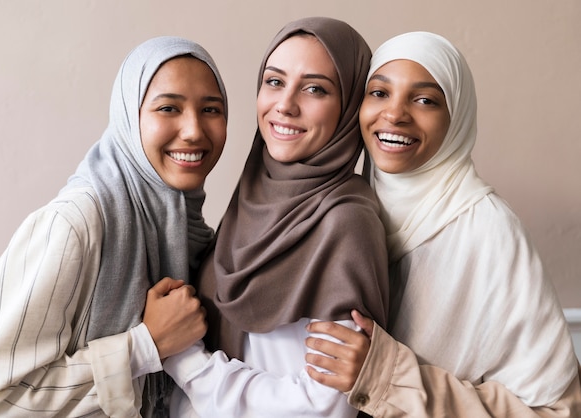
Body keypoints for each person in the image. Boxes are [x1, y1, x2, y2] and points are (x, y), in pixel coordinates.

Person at [304, 31, 581, 417]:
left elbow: (554, 411)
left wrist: (384, 378)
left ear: (457, 118)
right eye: (380, 93)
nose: (395, 114)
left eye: (425, 100)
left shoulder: (489, 230)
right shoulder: (342, 206)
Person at [0, 36, 228, 417]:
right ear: (129, 119)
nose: (194, 130)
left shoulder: (192, 236)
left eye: (211, 109)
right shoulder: (77, 224)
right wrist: (145, 346)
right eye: (168, 108)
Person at [161, 17, 389, 417]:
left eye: (315, 88)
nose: (285, 104)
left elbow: (322, 408)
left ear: (350, 105)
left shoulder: (347, 221)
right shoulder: (250, 198)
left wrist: (182, 358)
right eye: (274, 81)